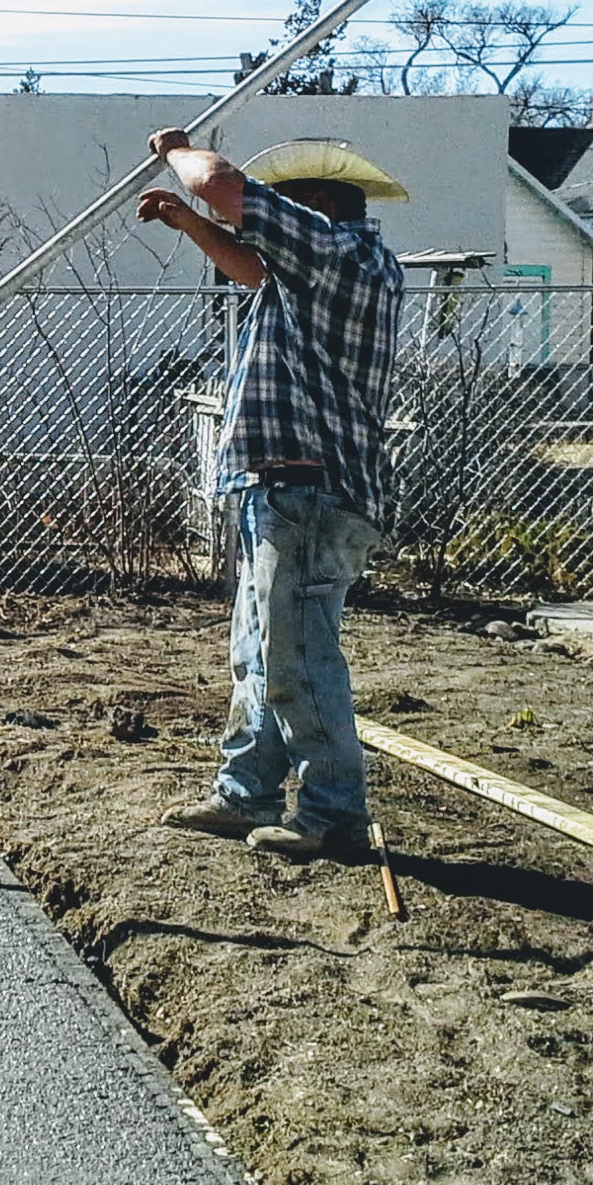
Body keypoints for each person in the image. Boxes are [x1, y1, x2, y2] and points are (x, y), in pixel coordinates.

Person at [136, 130, 406, 860]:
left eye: (281, 210)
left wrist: (178, 151)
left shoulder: (337, 251)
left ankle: (334, 815)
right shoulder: (327, 269)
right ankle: (244, 793)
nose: (258, 223)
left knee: (299, 662)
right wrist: (191, 226)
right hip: (288, 491)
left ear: (315, 207)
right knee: (260, 656)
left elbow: (221, 185)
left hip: (311, 491)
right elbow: (252, 268)